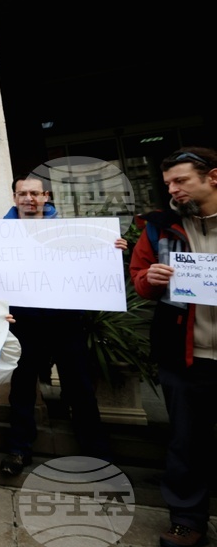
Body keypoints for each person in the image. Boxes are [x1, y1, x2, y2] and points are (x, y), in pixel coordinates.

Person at [0, 174, 114, 477]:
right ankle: (19, 448)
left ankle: (97, 454)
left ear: (46, 196)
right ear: (15, 198)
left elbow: (87, 264)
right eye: (23, 193)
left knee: (80, 387)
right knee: (21, 388)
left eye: (35, 193)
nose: (29, 199)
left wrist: (110, 250)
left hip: (65, 321)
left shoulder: (67, 232)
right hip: (23, 322)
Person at [130, 147, 217, 547]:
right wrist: (152, 277)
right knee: (186, 442)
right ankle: (186, 519)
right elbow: (140, 279)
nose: (173, 189)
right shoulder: (158, 227)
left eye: (180, 180)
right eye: (168, 183)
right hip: (185, 357)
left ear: (212, 177)